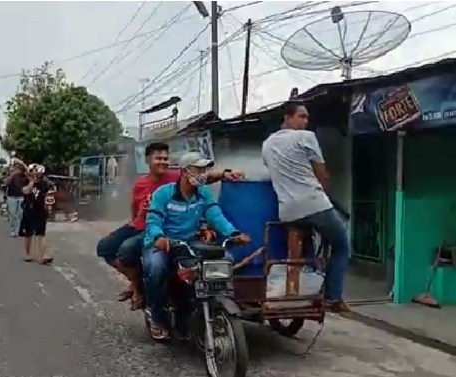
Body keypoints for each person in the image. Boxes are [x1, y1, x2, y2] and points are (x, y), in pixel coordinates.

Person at [96, 143, 245, 311]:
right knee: (123, 251)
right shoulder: (150, 186)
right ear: (148, 160)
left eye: (165, 158)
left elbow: (209, 188)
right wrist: (149, 231)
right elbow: (137, 207)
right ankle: (139, 288)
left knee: (220, 257)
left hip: (171, 230)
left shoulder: (185, 182)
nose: (163, 162)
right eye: (158, 158)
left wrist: (226, 174)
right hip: (147, 227)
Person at [143, 152, 249, 340]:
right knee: (156, 268)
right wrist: (158, 236)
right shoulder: (164, 193)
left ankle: (203, 308)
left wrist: (234, 233)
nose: (203, 173)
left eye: (204, 169)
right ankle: (156, 316)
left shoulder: (204, 194)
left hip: (188, 241)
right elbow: (153, 220)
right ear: (185, 171)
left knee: (223, 259)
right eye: (198, 169)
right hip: (162, 242)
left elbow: (216, 216)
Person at [261, 101, 350, 313]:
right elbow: (322, 174)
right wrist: (327, 195)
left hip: (288, 211)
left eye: (307, 117)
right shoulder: (306, 137)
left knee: (299, 253)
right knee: (341, 246)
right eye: (301, 116)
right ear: (287, 118)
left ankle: (297, 290)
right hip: (314, 203)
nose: (305, 121)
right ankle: (332, 296)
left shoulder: (267, 144)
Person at [19, 163, 55, 264]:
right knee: (28, 234)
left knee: (41, 233)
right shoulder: (25, 181)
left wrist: (49, 208)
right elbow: (25, 191)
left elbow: (50, 196)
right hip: (29, 210)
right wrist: (31, 182)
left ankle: (44, 256)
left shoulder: (45, 183)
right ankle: (27, 254)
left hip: (40, 211)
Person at [5, 162, 26, 237]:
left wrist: (22, 163)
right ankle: (12, 230)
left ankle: (18, 230)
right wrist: (12, 174)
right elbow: (6, 183)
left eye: (19, 168)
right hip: (12, 196)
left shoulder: (23, 175)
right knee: (13, 214)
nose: (17, 169)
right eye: (16, 167)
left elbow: (29, 175)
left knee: (20, 214)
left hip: (21, 196)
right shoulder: (11, 175)